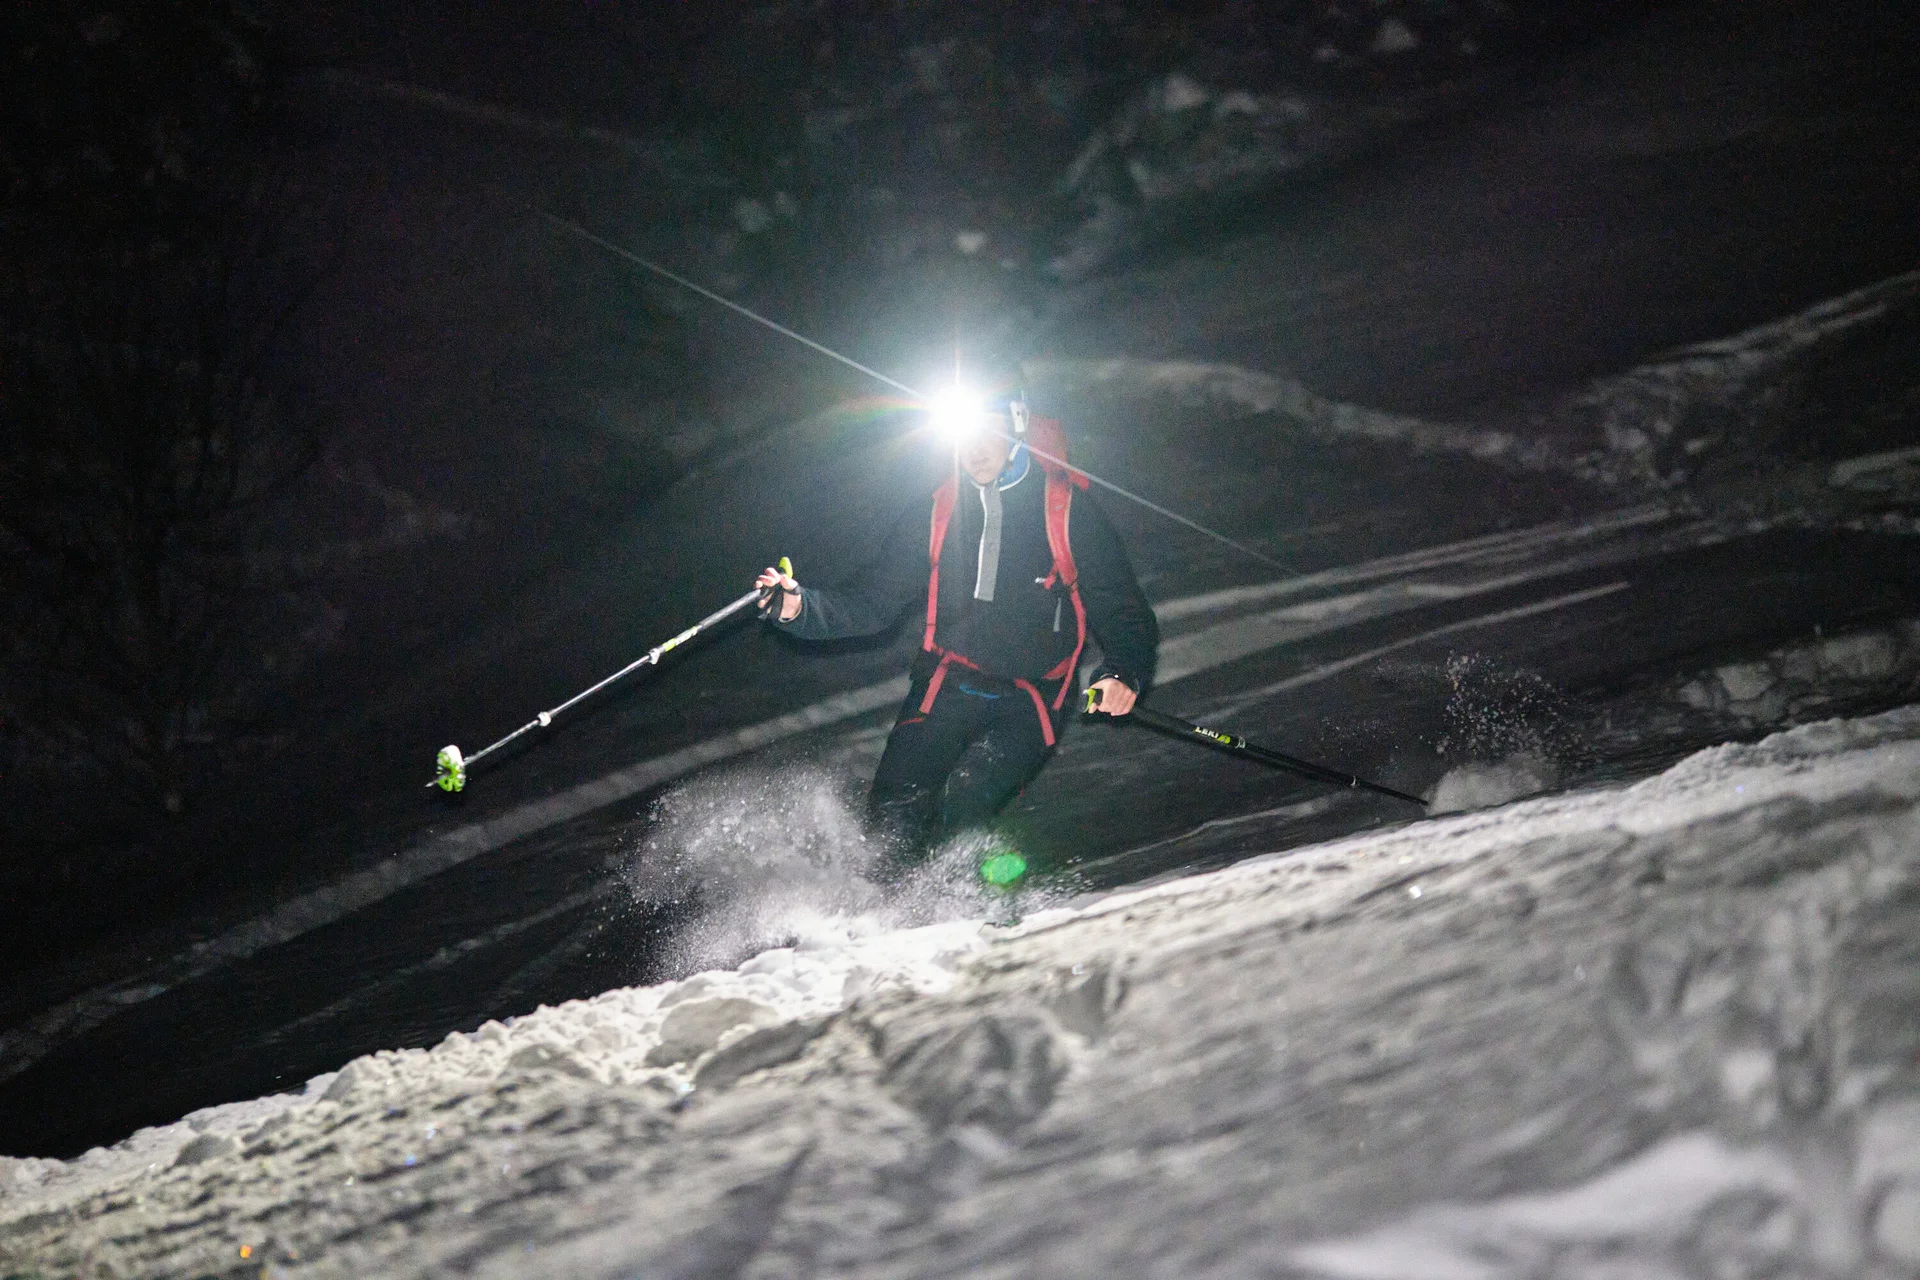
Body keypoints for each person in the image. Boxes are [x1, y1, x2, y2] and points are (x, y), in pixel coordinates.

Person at [755, 365, 1158, 872]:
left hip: (1032, 699)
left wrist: (1124, 672)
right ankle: (870, 915)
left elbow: (1124, 613)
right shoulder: (938, 511)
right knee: (890, 823)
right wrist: (799, 608)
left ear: (1016, 426)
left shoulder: (1066, 510)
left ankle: (958, 910)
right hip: (947, 683)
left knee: (961, 814)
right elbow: (874, 602)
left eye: (989, 430)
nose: (976, 448)